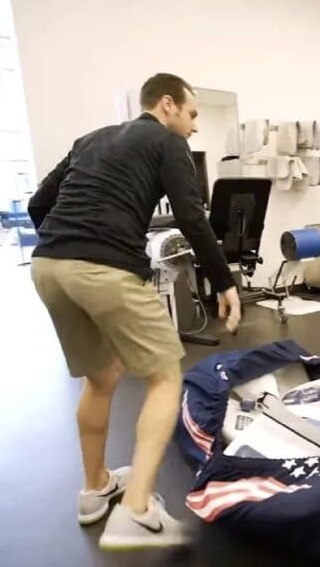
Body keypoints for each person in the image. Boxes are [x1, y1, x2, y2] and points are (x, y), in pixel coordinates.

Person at [27, 73, 241, 550]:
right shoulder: (168, 143)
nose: (193, 126)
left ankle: (94, 488)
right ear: (167, 106)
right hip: (106, 268)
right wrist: (224, 282)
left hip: (46, 267)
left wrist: (67, 247)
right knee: (166, 374)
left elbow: (39, 203)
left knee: (101, 378)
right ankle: (137, 508)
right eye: (192, 114)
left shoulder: (91, 139)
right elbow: (191, 217)